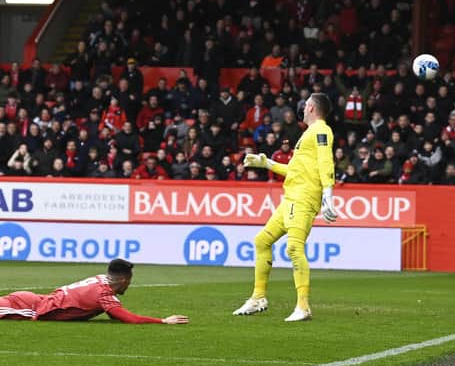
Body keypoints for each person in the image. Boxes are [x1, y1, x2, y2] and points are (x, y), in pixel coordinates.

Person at [233, 93, 337, 322]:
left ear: (310, 107)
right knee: (262, 241)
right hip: (291, 197)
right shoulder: (309, 133)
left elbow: (325, 160)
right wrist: (266, 163)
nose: (303, 106)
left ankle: (303, 306)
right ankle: (258, 297)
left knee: (294, 248)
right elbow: (296, 170)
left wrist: (329, 194)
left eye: (306, 103)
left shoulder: (321, 129)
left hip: (303, 198)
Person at [0, 259, 189, 324]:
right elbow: (129, 319)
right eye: (129, 281)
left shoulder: (101, 279)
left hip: (33, 301)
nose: (129, 285)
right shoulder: (104, 294)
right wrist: (163, 320)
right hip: (29, 308)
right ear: (124, 280)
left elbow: (115, 315)